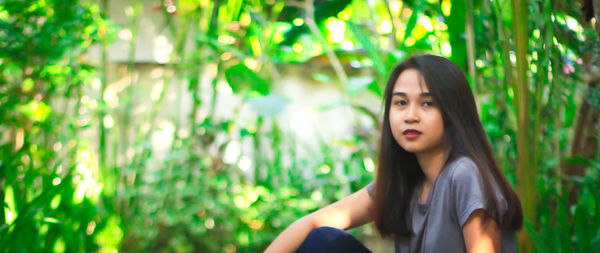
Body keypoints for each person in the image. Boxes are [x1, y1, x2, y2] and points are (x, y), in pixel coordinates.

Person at [265, 54, 523, 253]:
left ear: (453, 111)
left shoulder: (464, 174)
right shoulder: (405, 181)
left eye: (427, 103)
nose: (411, 116)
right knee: (324, 241)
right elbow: (313, 223)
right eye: (400, 103)